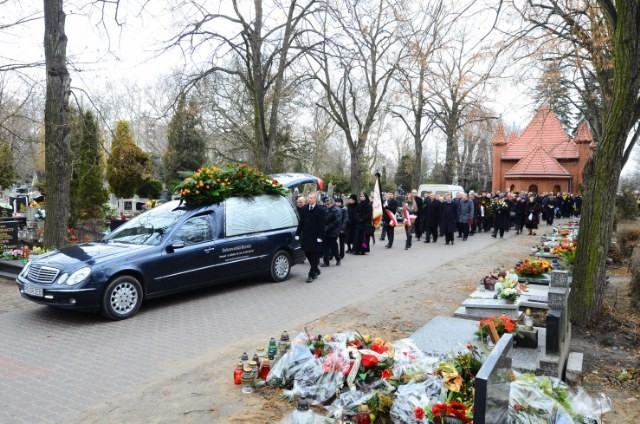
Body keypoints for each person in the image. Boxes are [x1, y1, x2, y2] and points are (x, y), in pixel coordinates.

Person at [295, 192, 326, 283]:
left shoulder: (320, 210)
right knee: (307, 253)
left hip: (315, 237)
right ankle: (316, 269)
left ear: (315, 199)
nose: (310, 199)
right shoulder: (304, 209)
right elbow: (301, 223)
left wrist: (320, 236)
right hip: (306, 236)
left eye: (311, 198)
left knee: (315, 255)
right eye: (309, 198)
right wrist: (297, 233)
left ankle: (311, 274)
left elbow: (322, 225)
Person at [321, 197, 342, 267]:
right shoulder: (325, 209)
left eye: (329, 204)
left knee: (333, 246)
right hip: (325, 231)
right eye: (327, 204)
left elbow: (337, 221)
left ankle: (338, 259)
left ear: (332, 203)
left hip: (333, 231)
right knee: (325, 247)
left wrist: (328, 227)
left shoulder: (337, 210)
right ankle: (326, 261)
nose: (328, 205)